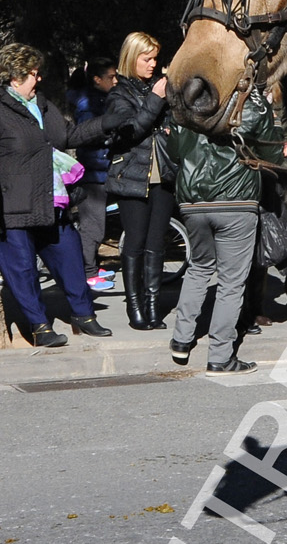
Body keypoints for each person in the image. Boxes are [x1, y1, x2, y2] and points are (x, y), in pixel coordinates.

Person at [167, 87, 287, 374]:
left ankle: (181, 340)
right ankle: (220, 356)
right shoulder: (254, 100)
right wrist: (276, 136)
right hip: (237, 199)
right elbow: (270, 153)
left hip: (192, 198)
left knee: (198, 268)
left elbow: (174, 150)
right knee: (231, 281)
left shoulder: (188, 95)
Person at [0, 43, 112, 347]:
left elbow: (67, 137)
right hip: (14, 206)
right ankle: (39, 325)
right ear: (13, 77)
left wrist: (105, 123)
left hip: (52, 200)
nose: (38, 80)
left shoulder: (43, 104)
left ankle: (83, 316)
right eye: (32, 74)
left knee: (71, 258)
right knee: (22, 271)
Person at [101, 31, 174, 331]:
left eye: (155, 58)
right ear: (132, 59)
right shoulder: (119, 94)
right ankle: (135, 307)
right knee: (136, 242)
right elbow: (131, 130)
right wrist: (156, 99)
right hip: (132, 176)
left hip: (164, 174)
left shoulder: (157, 87)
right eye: (147, 58)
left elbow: (169, 120)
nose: (153, 64)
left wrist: (170, 125)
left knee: (158, 243)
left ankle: (154, 305)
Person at [70, 56, 118, 292]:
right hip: (93, 173)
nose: (116, 80)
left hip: (101, 170)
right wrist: (110, 136)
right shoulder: (89, 104)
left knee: (97, 224)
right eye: (111, 77)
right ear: (97, 79)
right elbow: (87, 134)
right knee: (93, 226)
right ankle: (87, 273)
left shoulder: (103, 99)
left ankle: (92, 266)